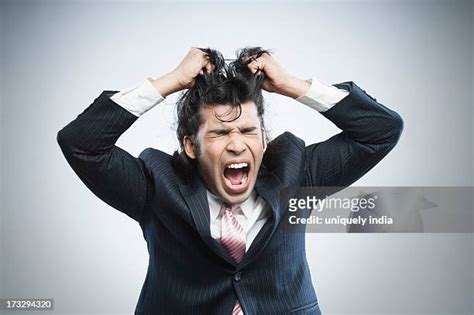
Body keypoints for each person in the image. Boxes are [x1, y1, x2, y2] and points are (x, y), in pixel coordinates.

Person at [57, 47, 403, 315]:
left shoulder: (296, 174)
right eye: (221, 133)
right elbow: (81, 143)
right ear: (191, 146)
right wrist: (171, 81)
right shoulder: (155, 187)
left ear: (264, 140)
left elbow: (380, 131)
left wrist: (292, 86)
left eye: (249, 131)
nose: (237, 144)